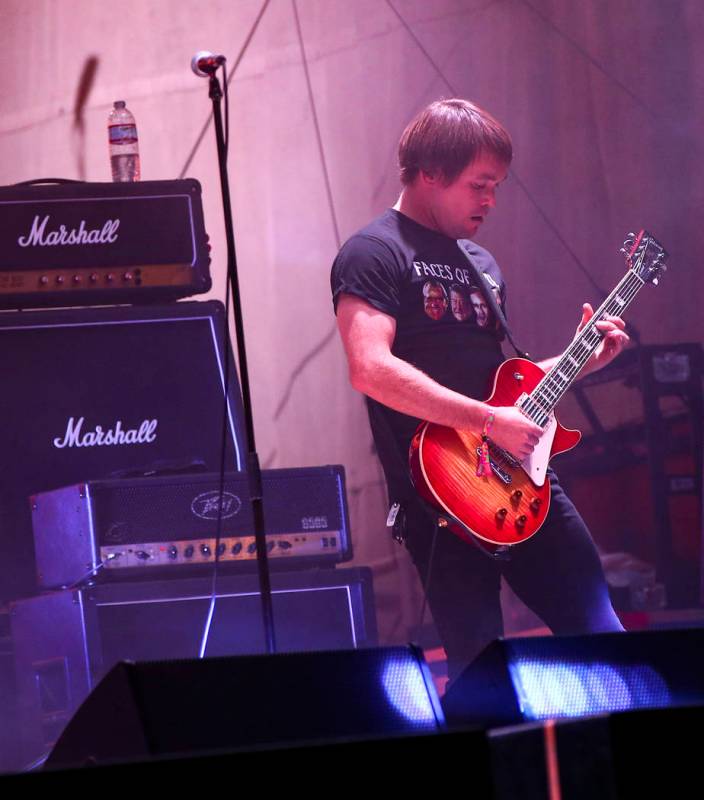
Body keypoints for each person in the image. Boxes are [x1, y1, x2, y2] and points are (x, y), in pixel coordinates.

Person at [330, 98, 628, 682]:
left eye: (497, 186)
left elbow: (500, 387)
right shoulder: (374, 252)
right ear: (430, 173)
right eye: (479, 185)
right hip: (441, 496)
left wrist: (578, 360)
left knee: (603, 636)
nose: (490, 200)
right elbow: (370, 368)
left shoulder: (481, 263)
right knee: (481, 672)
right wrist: (488, 423)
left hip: (523, 483)